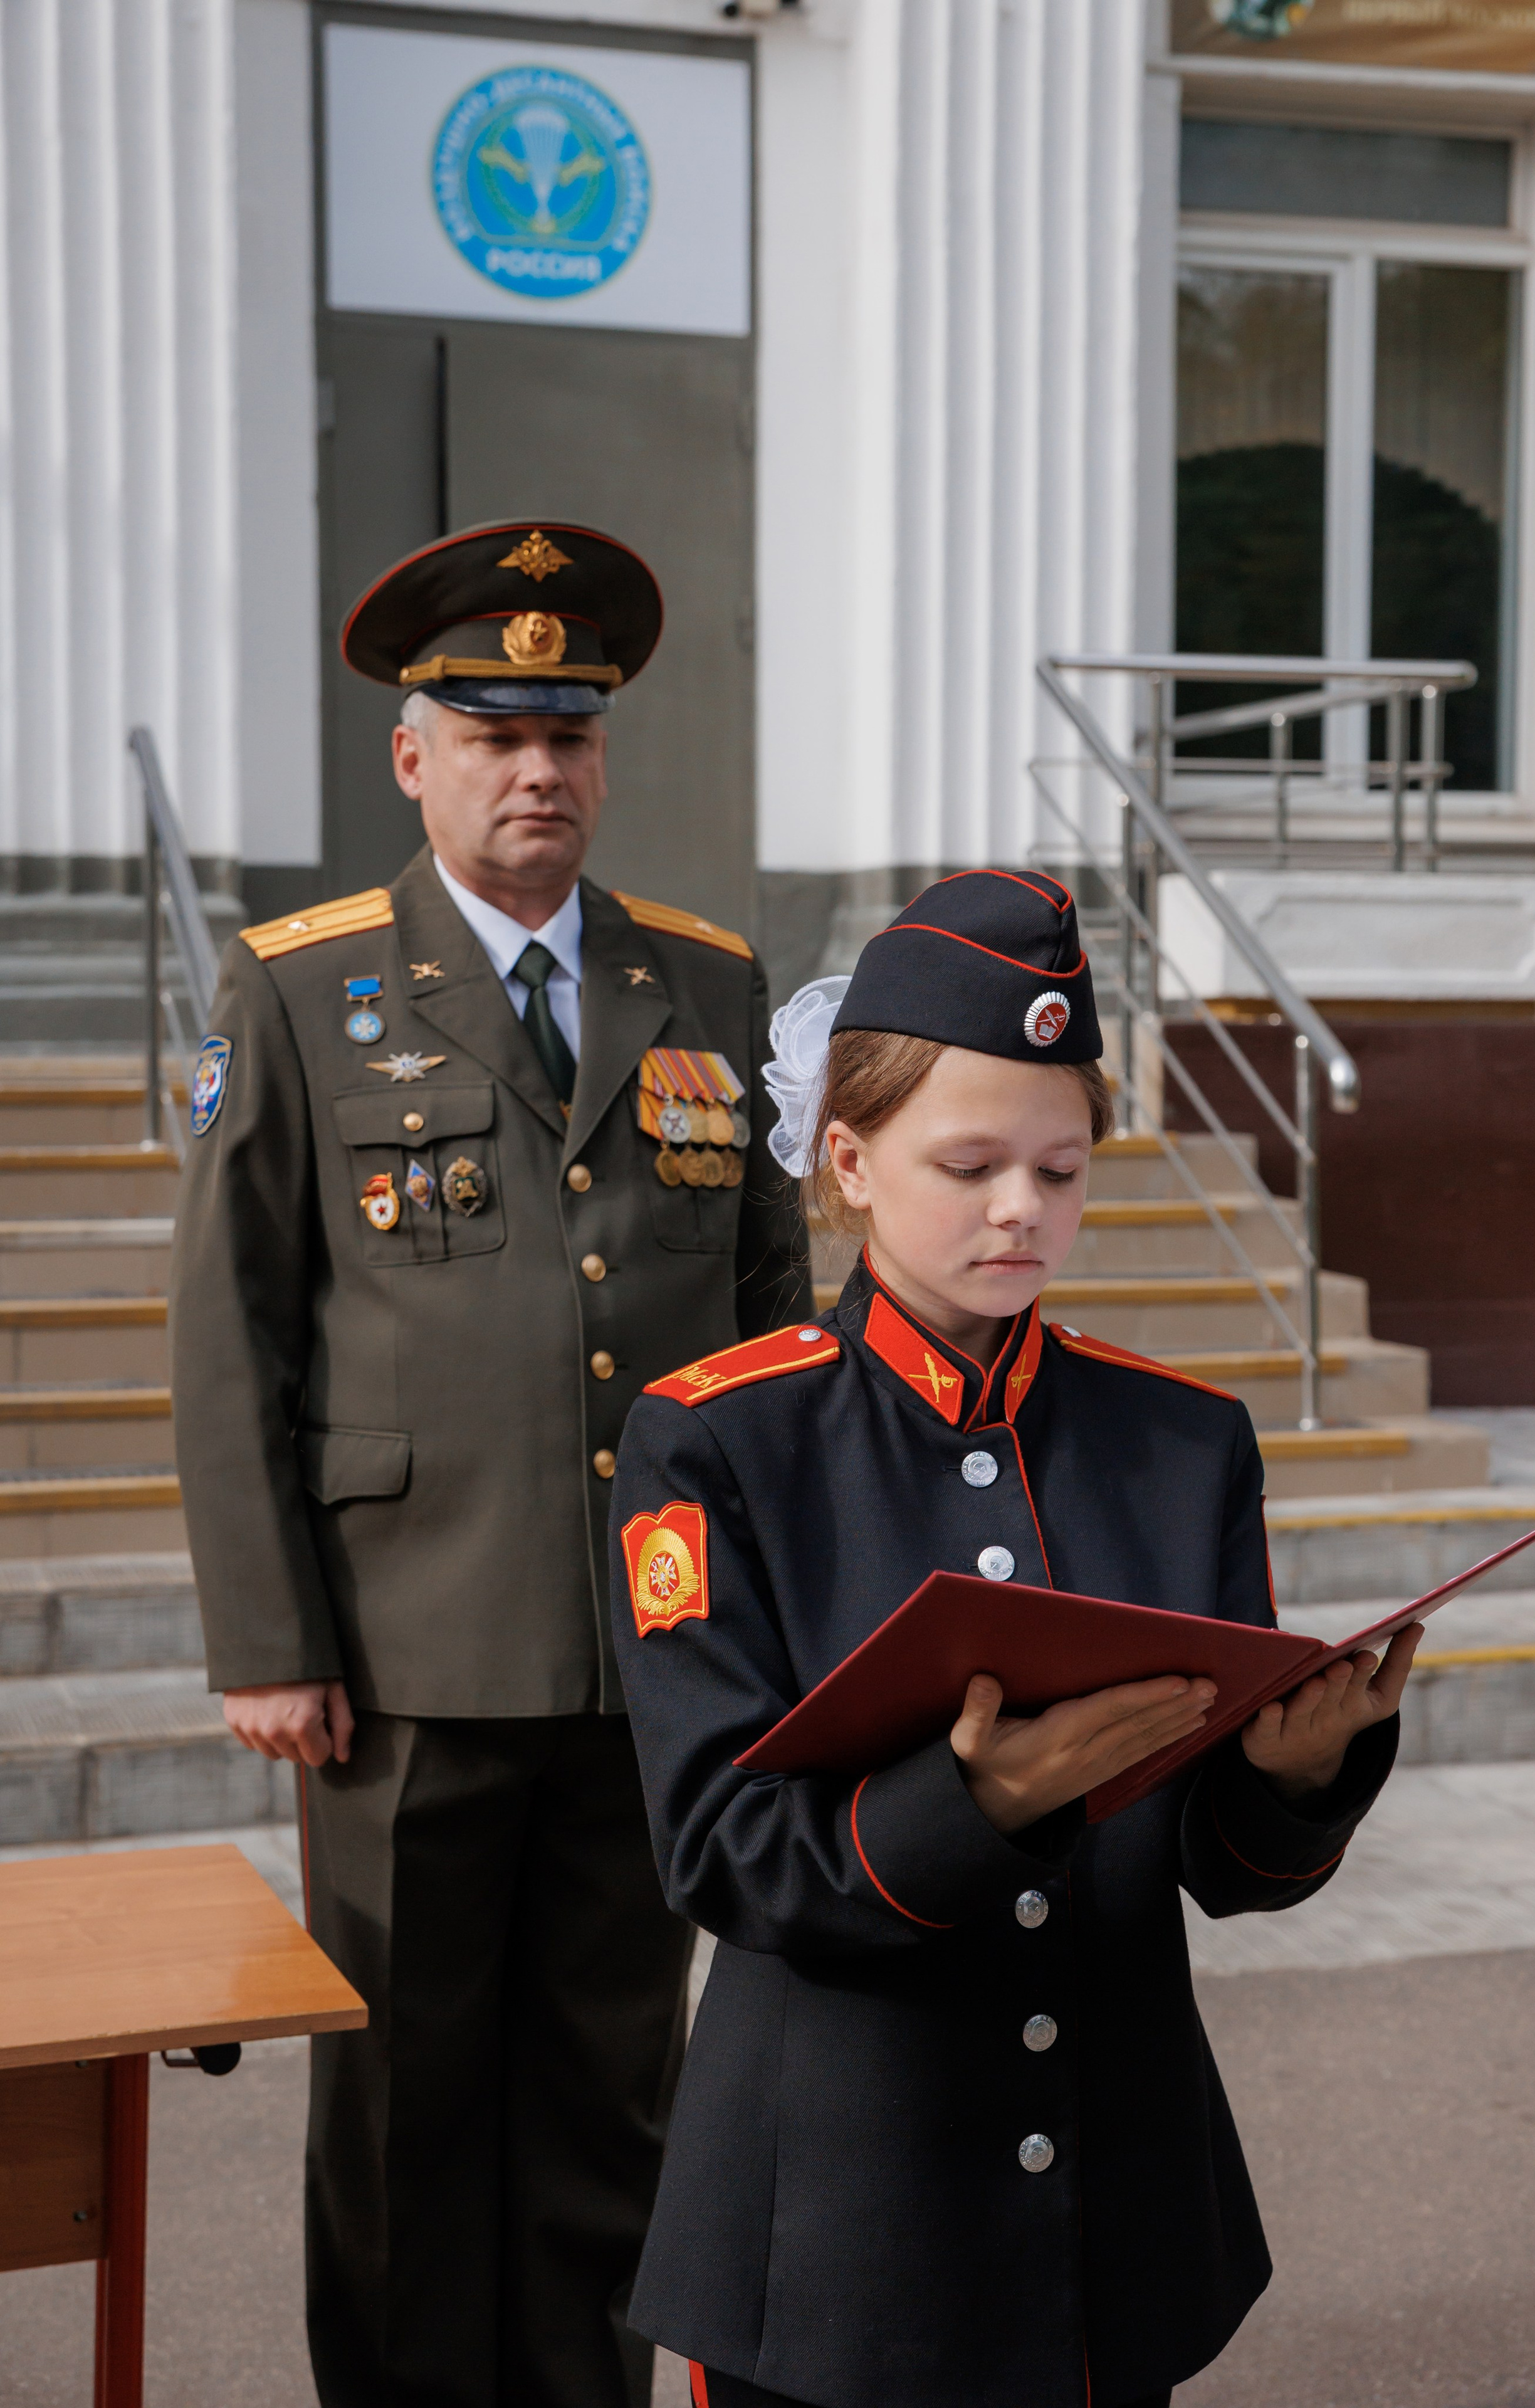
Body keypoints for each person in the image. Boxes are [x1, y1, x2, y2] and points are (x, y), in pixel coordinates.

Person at [606, 868, 1422, 2408]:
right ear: (844, 1159)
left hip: (1108, 2206)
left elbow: (1216, 1861)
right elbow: (718, 1846)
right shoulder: (721, 1442)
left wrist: (1299, 1776)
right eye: (968, 1162)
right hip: (837, 2217)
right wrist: (974, 1805)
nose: (1018, 1211)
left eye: (1059, 1169)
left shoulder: (1177, 1439)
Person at [168, 520, 812, 2408]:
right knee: (402, 2099)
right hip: (400, 1663)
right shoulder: (299, 992)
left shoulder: (699, 983)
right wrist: (267, 1637)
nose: (539, 771)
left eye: (572, 734)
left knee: (619, 2086)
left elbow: (771, 1315)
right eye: (493, 732)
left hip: (654, 1656)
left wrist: (771, 1610)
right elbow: (231, 1335)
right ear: (414, 756)